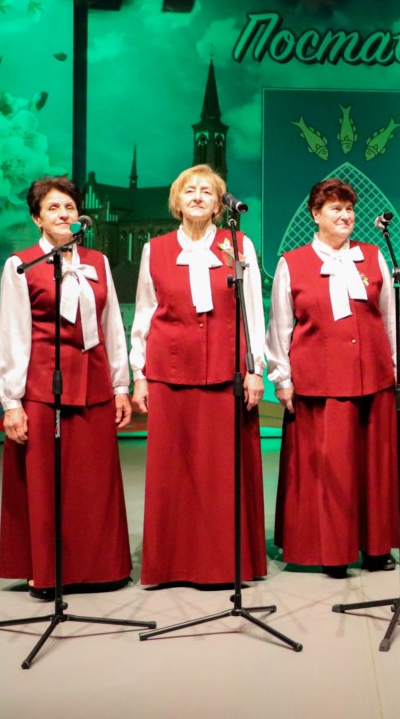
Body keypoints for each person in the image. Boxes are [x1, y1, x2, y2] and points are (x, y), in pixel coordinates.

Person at [0, 176, 133, 600]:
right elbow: (13, 334)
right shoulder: (21, 265)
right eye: (53, 208)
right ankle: (47, 570)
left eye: (69, 207)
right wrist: (11, 401)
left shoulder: (98, 261)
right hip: (43, 388)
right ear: (37, 218)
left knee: (93, 481)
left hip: (94, 385)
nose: (63, 214)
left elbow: (112, 327)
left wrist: (121, 385)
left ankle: (100, 568)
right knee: (46, 483)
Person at [266, 178, 400, 579]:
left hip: (373, 378)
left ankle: (376, 547)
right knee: (330, 469)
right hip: (320, 383)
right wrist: (282, 378)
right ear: (315, 215)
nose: (345, 215)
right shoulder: (293, 263)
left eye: (349, 209)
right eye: (335, 209)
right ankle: (333, 550)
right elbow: (280, 326)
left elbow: (390, 316)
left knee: (373, 467)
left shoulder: (372, 256)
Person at [131, 164, 267, 586]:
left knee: (220, 471)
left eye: (207, 191)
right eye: (189, 190)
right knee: (172, 471)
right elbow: (144, 314)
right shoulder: (155, 249)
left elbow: (252, 311)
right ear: (177, 201)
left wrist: (255, 368)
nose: (197, 196)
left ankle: (223, 562)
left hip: (226, 371)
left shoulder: (238, 244)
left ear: (219, 204)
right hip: (170, 371)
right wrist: (139, 373)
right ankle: (170, 564)